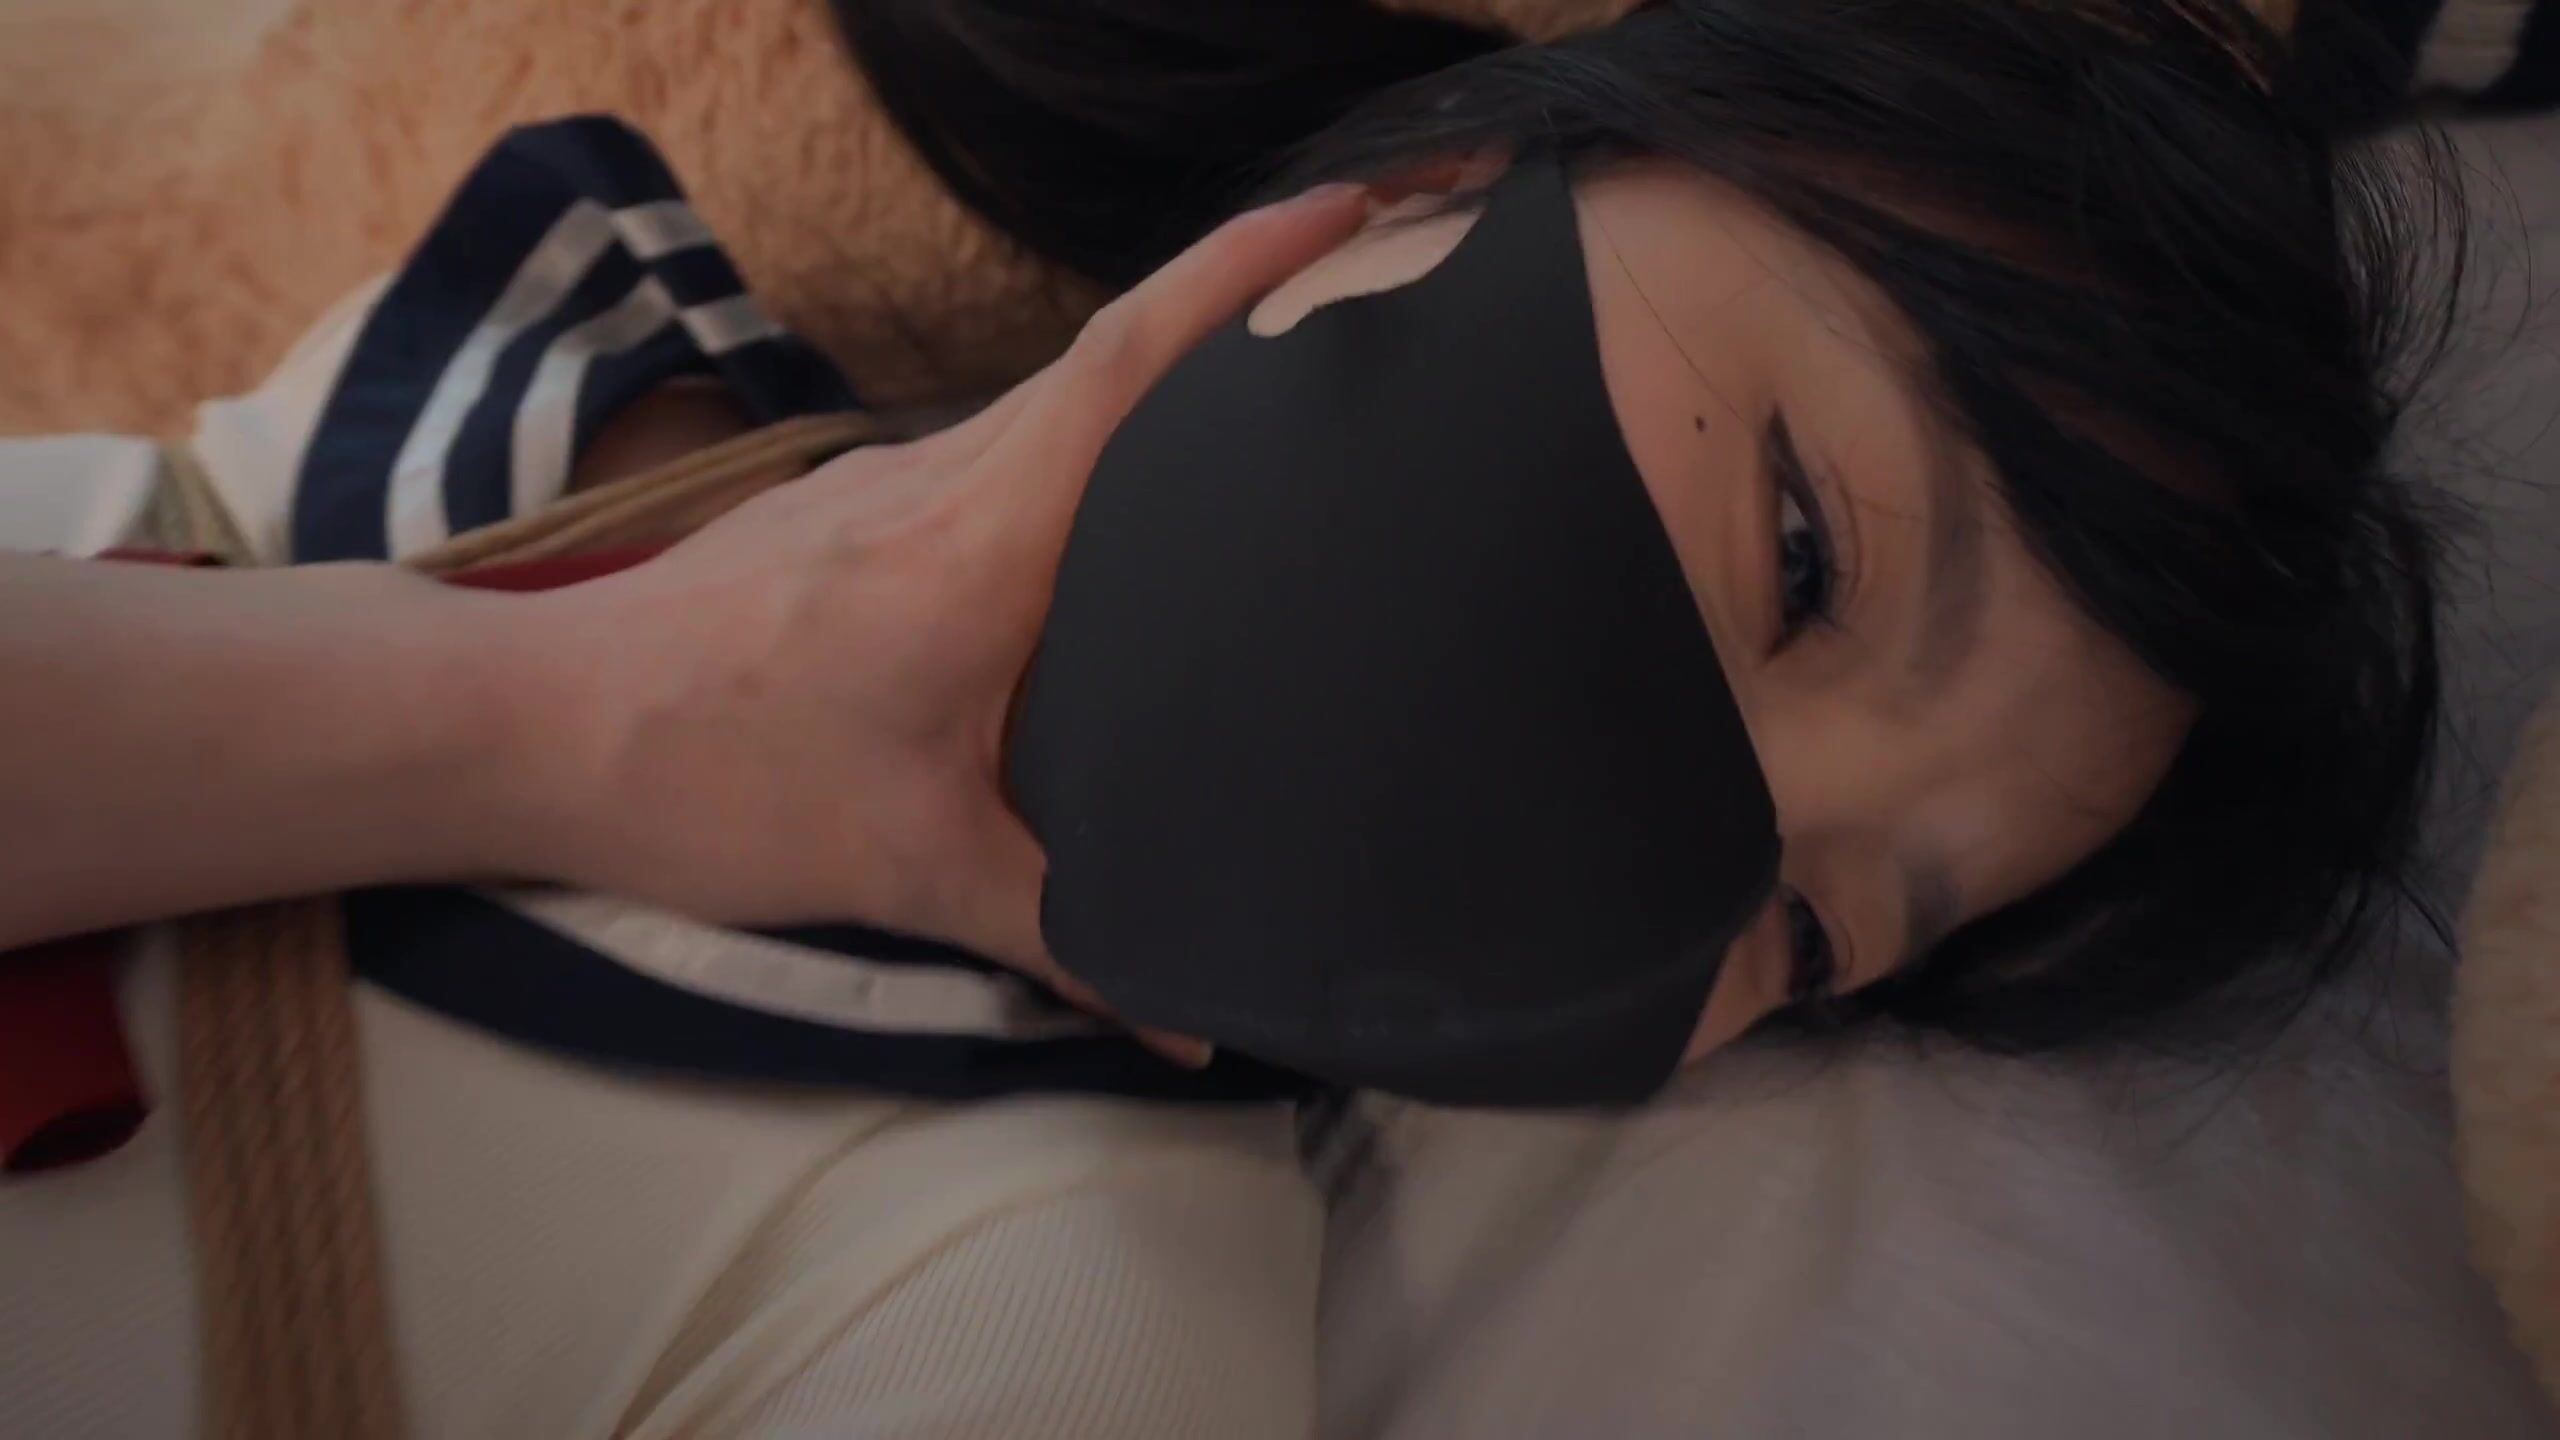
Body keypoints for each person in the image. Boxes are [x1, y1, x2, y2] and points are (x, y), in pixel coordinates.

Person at [0, 0, 2517, 1433]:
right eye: (1798, 555)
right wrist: (574, 691)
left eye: (1811, 932)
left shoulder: (1041, 1307)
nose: (1675, 865)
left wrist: (571, 722)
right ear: (1481, 168)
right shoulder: (538, 359)